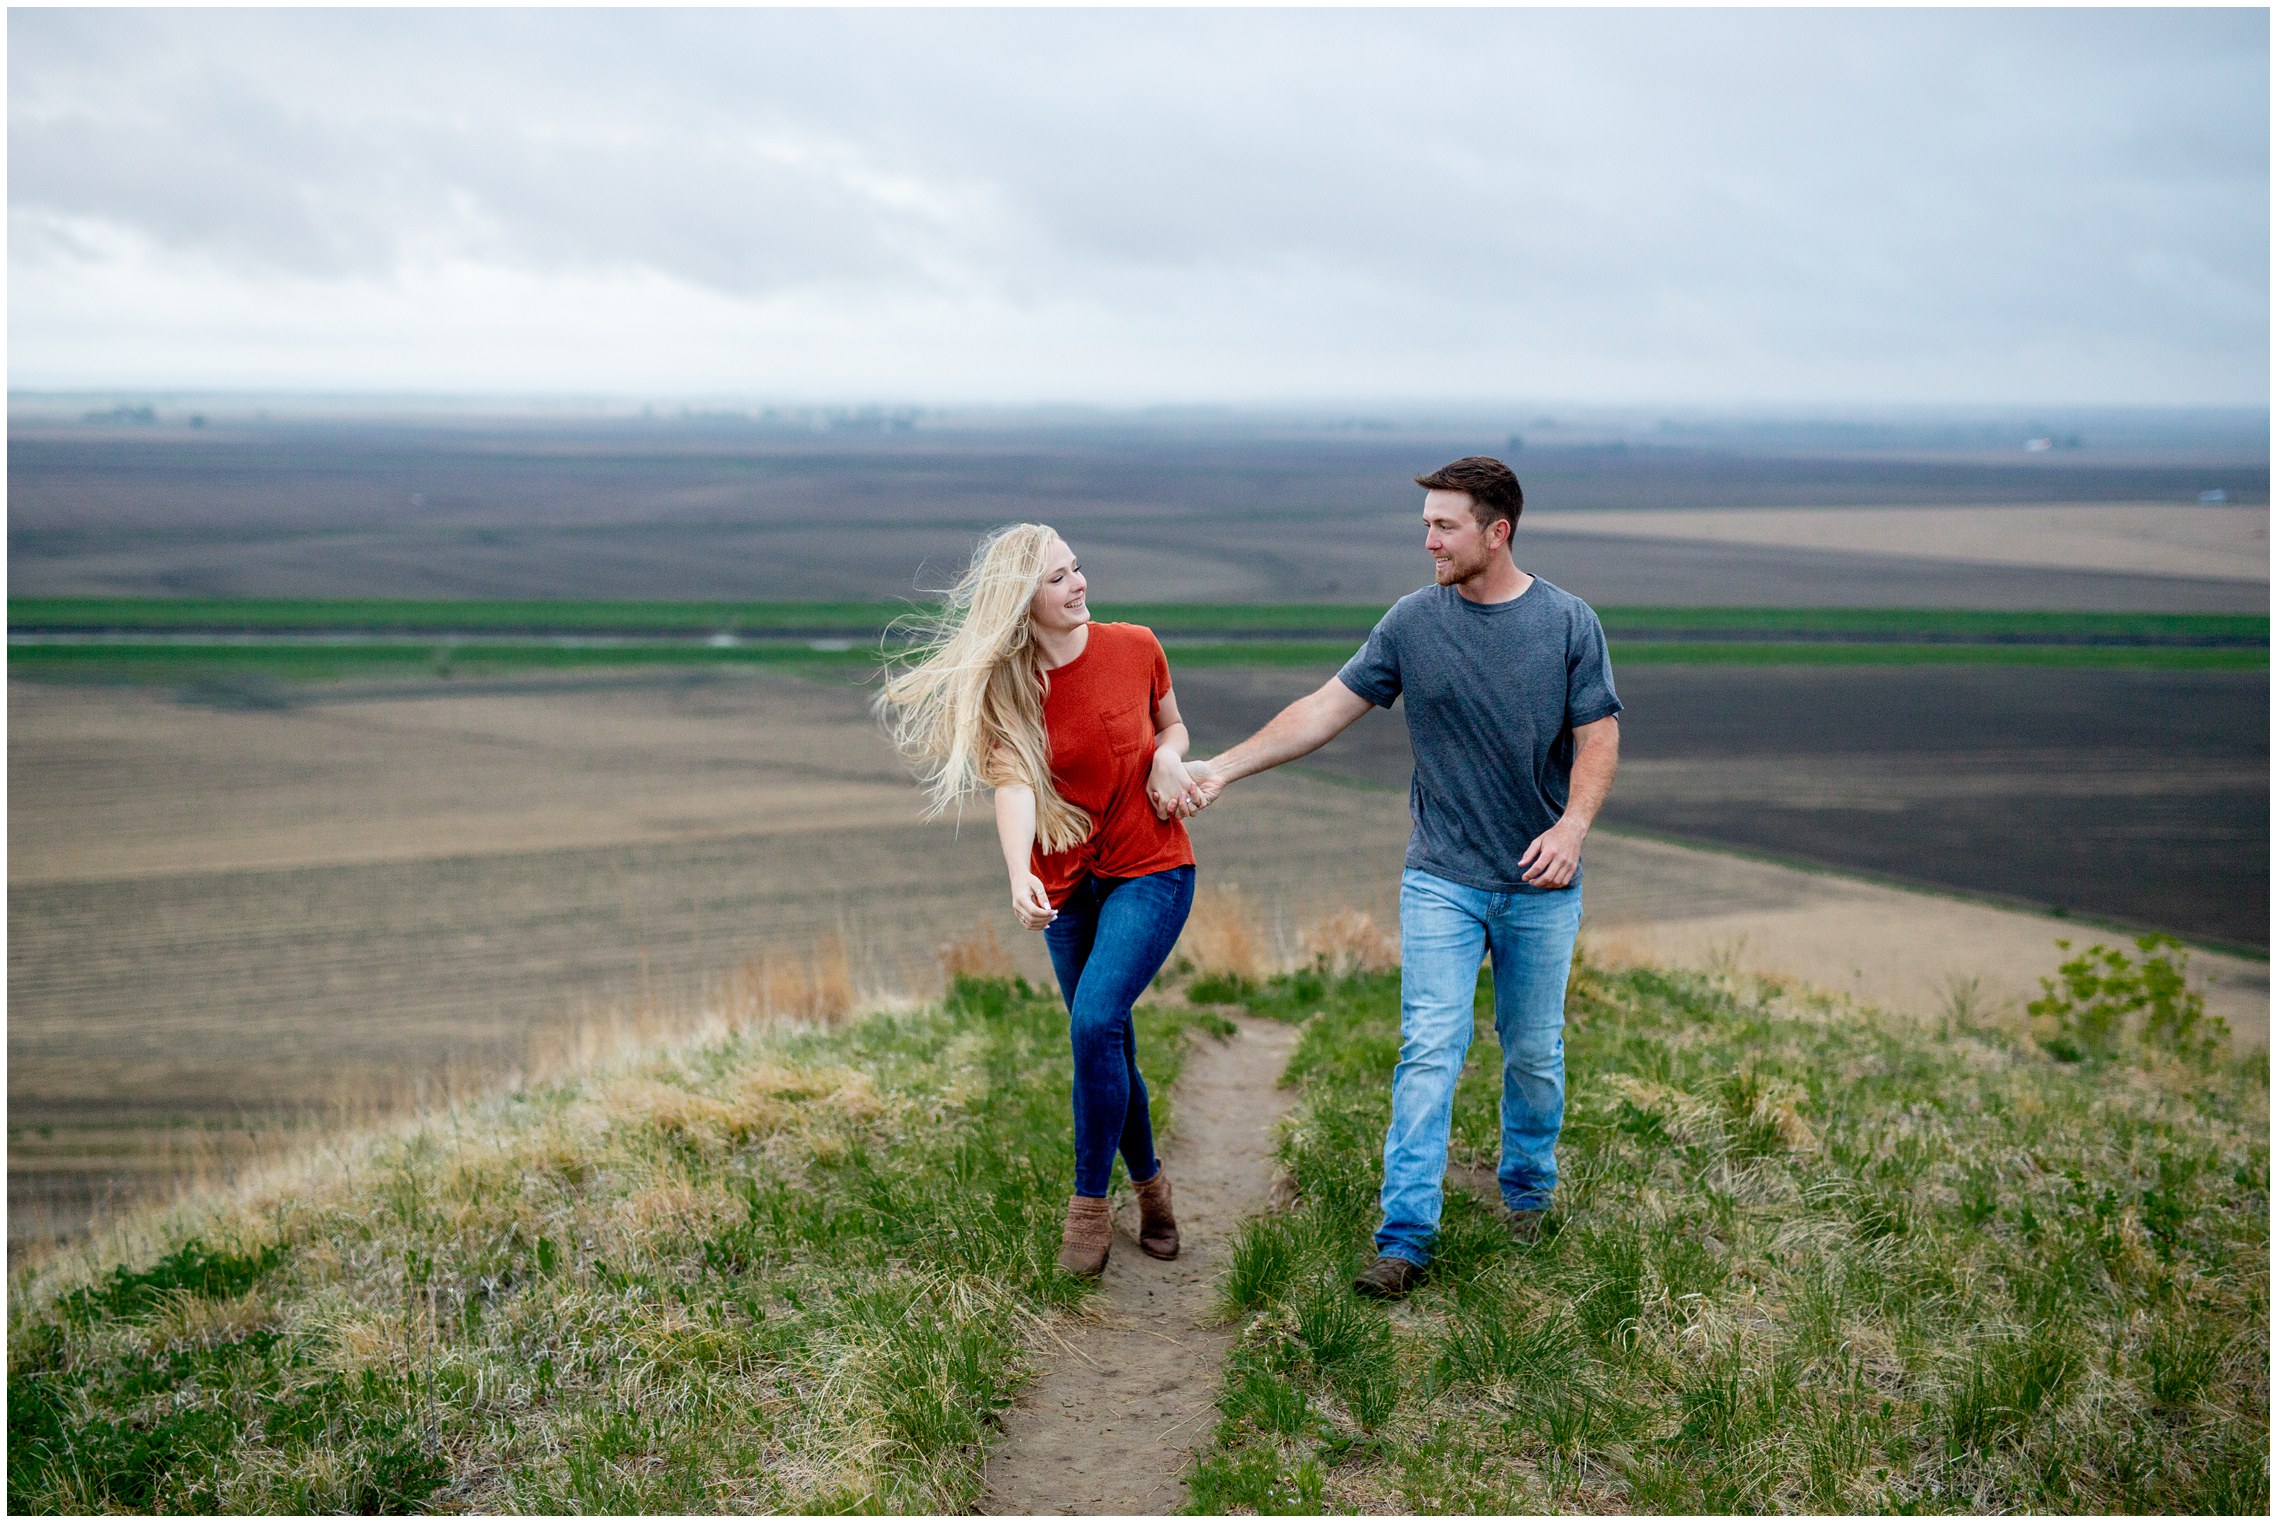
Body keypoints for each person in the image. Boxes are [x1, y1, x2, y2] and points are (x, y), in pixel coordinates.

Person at [1177, 456, 1621, 1299]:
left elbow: (1597, 735)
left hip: (1539, 882)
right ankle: (1404, 1239)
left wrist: (1571, 826)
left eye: (1444, 525)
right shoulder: (1412, 624)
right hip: (1442, 879)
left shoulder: (1568, 623)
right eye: (1425, 524)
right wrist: (1221, 769)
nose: (1428, 540)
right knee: (1428, 1051)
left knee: (1532, 1051)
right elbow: (1322, 708)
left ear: (1498, 532)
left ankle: (1527, 1197)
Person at [878, 523, 1208, 1278]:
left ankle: (1087, 1209)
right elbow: (1015, 783)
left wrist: (1166, 757)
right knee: (1106, 1038)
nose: (1078, 584)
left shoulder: (1134, 646)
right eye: (1058, 578)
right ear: (1020, 599)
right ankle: (1151, 1187)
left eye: (1077, 568)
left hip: (1150, 864)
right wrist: (1017, 870)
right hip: (1066, 881)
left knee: (1094, 1019)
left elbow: (1174, 723)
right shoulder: (1007, 685)